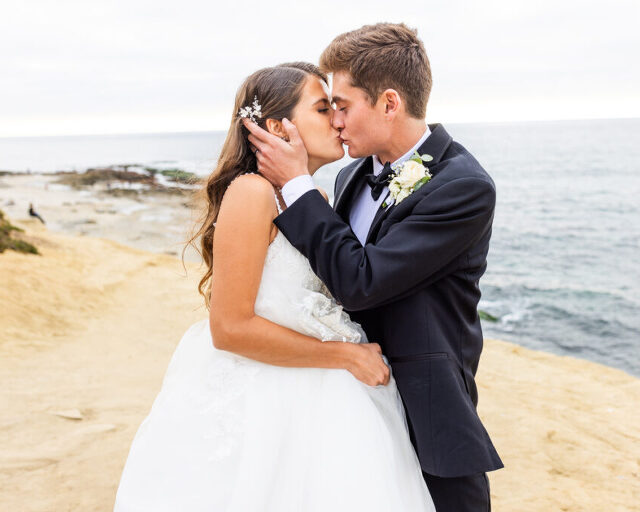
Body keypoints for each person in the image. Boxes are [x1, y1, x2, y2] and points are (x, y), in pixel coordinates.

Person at [113, 62, 436, 511]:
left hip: (323, 397)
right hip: (264, 397)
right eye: (323, 109)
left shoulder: (317, 200)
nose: (338, 121)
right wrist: (343, 355)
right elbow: (228, 328)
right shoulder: (252, 193)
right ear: (275, 127)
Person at [244, 23, 503, 512]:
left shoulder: (462, 186)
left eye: (341, 104)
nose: (335, 120)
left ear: (389, 103)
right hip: (344, 402)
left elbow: (362, 283)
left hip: (425, 410)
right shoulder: (350, 175)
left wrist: (297, 185)